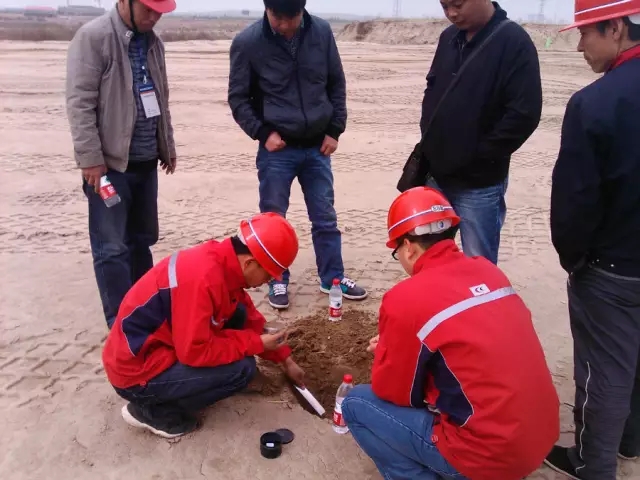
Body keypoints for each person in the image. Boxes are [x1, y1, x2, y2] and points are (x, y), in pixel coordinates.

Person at [341, 187, 560, 480]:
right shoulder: (488, 271)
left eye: (397, 252)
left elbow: (396, 393)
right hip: (541, 436)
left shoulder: (405, 298)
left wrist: (387, 353)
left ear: (408, 247)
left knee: (356, 404)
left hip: (488, 457)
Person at [101, 212, 307, 438]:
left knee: (238, 314)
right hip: (137, 371)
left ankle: (178, 389)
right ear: (249, 263)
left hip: (161, 344)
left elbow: (248, 315)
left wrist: (286, 360)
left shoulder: (222, 261)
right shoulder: (201, 280)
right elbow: (194, 352)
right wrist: (255, 344)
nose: (266, 283)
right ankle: (151, 412)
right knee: (242, 370)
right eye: (268, 276)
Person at [543, 1, 640, 479]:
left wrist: (575, 259)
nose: (580, 46)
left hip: (612, 266)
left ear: (616, 28)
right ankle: (629, 440)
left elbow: (576, 200)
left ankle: (592, 464)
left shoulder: (595, 103)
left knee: (603, 371)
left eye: (585, 34)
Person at [227, 0, 368, 310]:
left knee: (325, 218)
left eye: (292, 18)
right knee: (273, 220)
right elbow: (238, 98)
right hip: (277, 150)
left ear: (302, 10)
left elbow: (336, 83)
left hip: (318, 147)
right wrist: (263, 133)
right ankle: (277, 278)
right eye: (277, 18)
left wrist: (335, 129)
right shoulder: (248, 42)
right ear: (266, 9)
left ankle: (332, 277)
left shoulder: (321, 32)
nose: (285, 25)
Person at [65, 0, 178, 329]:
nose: (154, 17)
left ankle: (145, 314)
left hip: (145, 163)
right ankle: (121, 327)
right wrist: (90, 159)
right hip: (110, 168)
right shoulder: (94, 37)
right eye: (148, 9)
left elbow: (161, 97)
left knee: (141, 240)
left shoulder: (153, 43)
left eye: (160, 11)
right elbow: (80, 103)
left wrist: (166, 144)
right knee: (112, 248)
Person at [418, 0, 542, 265]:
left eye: (457, 4)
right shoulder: (448, 37)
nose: (451, 14)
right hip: (436, 175)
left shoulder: (513, 41)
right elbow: (433, 89)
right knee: (432, 256)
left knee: (479, 262)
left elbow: (524, 114)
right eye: (444, 6)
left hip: (478, 183)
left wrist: (479, 156)